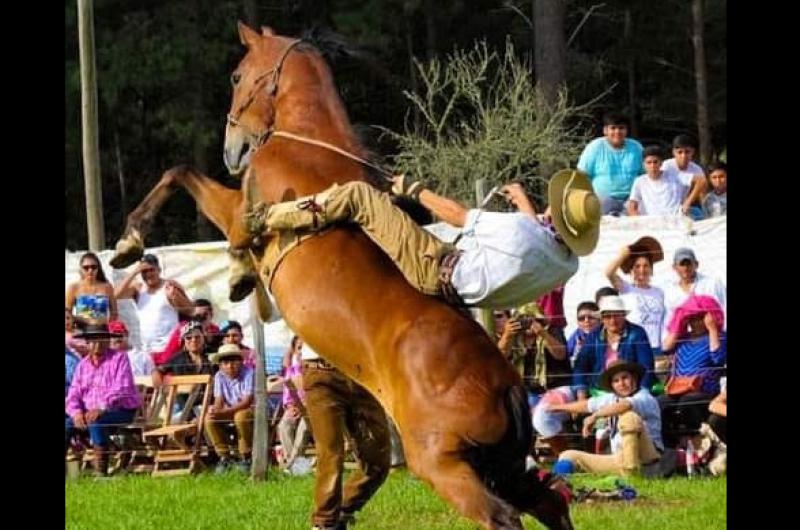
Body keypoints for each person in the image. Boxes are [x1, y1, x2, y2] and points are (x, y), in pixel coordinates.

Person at [246, 169, 600, 310]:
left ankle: (264, 217)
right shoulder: (568, 264)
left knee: (358, 195)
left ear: (553, 214)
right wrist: (523, 201)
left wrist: (413, 188)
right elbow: (537, 238)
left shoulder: (524, 232)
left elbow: (458, 216)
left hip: (436, 266)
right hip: (462, 293)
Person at [301, 342, 390, 529]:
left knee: (378, 460)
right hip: (321, 373)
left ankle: (343, 511)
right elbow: (268, 316)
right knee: (331, 453)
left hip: (363, 374)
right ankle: (324, 523)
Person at [549, 360, 663, 476]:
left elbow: (625, 406)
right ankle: (556, 483)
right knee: (568, 455)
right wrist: (555, 407)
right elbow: (586, 405)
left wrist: (595, 416)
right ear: (611, 385)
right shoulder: (611, 398)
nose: (621, 383)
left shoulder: (644, 397)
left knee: (629, 417)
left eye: (625, 378)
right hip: (620, 458)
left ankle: (633, 473)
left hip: (646, 458)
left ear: (634, 378)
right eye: (616, 381)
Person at [65, 322, 142, 476]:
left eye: (102, 339)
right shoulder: (82, 365)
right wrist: (76, 413)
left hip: (120, 410)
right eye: (93, 340)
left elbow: (122, 388)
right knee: (67, 424)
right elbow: (73, 394)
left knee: (96, 421)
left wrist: (102, 407)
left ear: (108, 341)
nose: (98, 344)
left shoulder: (119, 358)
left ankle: (101, 471)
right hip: (89, 412)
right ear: (87, 344)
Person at [658, 295, 726, 448]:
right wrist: (678, 324)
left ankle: (700, 439)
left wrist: (712, 329)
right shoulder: (683, 338)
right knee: (660, 403)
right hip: (678, 388)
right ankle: (669, 447)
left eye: (700, 317)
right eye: (691, 318)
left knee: (689, 401)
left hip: (705, 390)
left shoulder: (720, 336)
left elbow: (718, 359)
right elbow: (665, 348)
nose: (695, 322)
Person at [114, 254, 195, 360]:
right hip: (147, 350)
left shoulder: (170, 285)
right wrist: (134, 272)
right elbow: (116, 294)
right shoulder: (138, 289)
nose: (148, 274)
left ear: (159, 270)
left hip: (170, 348)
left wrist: (175, 298)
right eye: (144, 271)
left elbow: (190, 310)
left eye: (151, 270)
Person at [604, 236, 666, 354]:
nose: (642, 270)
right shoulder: (626, 288)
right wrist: (623, 255)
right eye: (637, 266)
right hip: (633, 344)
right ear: (631, 270)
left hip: (655, 346)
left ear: (651, 269)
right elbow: (608, 272)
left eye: (646, 266)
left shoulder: (659, 292)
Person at [576, 111, 644, 215]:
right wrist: (590, 198)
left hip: (631, 200)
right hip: (602, 200)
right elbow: (581, 176)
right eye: (613, 128)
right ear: (605, 130)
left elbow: (645, 175)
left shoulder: (636, 148)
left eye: (621, 128)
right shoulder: (595, 147)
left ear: (626, 130)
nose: (617, 132)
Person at [204, 344, 255, 473]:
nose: (230, 366)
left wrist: (224, 411)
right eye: (226, 362)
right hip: (230, 410)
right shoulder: (219, 376)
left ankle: (245, 456)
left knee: (240, 417)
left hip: (251, 410)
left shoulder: (249, 373)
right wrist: (215, 410)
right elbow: (219, 400)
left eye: (234, 361)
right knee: (209, 419)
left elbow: (247, 401)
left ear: (241, 361)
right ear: (220, 365)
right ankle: (224, 456)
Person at [627, 145, 706, 216]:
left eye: (655, 162)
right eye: (649, 163)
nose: (652, 166)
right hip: (651, 222)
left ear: (661, 163)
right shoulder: (639, 181)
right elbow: (632, 205)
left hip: (675, 220)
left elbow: (701, 181)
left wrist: (688, 202)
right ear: (644, 165)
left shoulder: (674, 175)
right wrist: (639, 221)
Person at [663, 247, 726, 334]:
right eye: (682, 264)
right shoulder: (669, 291)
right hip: (683, 341)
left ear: (696, 264)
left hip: (712, 336)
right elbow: (668, 319)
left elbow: (724, 307)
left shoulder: (712, 284)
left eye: (688, 263)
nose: (685, 268)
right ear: (674, 267)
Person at [277, 336, 311, 471]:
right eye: (299, 348)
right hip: (295, 406)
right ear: (294, 351)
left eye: (305, 348)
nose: (302, 352)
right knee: (284, 425)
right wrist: (291, 406)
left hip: (312, 408)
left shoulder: (316, 369)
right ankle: (298, 465)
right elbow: (287, 394)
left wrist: (303, 405)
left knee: (305, 425)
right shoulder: (291, 370)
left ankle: (291, 465)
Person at [661, 134, 708, 219]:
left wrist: (689, 201)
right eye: (680, 152)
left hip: (681, 208)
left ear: (692, 152)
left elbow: (703, 189)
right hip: (663, 206)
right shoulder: (666, 166)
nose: (684, 156)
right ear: (674, 152)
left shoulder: (697, 169)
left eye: (687, 152)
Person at [66, 252, 118, 324]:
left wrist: (111, 328)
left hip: (102, 332)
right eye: (86, 267)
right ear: (81, 269)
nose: (90, 270)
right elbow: (67, 314)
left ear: (98, 268)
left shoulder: (107, 287)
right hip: (81, 332)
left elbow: (114, 313)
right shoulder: (73, 287)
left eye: (93, 267)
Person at [565, 301, 601, 365]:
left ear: (600, 319)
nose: (586, 321)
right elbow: (567, 355)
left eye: (591, 317)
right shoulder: (576, 336)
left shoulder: (606, 334)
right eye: (581, 318)